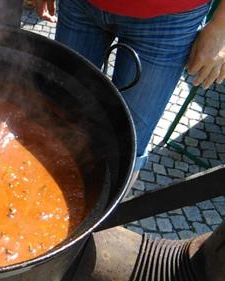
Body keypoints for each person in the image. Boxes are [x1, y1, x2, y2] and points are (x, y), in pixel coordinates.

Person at [34, 0, 225, 169]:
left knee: (127, 147)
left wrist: (221, 26)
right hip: (80, 6)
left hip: (170, 21)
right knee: (58, 112)